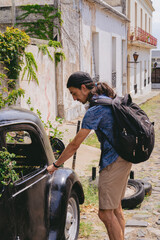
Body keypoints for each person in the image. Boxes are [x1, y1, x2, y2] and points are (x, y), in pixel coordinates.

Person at [47, 71, 132, 240]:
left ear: (84, 88)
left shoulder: (95, 110)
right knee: (115, 209)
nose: (74, 98)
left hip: (113, 162)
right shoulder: (105, 98)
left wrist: (55, 165)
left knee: (105, 214)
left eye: (74, 93)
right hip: (124, 157)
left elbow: (74, 145)